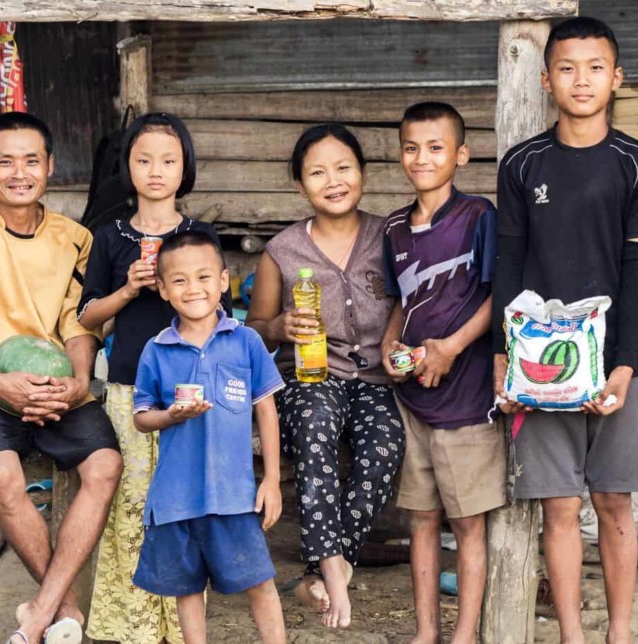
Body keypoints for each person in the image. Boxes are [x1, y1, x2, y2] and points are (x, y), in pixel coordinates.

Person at [492, 17, 638, 644]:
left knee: (615, 505)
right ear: (546, 81)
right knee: (559, 507)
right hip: (541, 362)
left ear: (617, 78)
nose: (581, 80)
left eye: (595, 67)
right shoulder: (522, 164)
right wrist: (504, 359)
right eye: (567, 68)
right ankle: (573, 633)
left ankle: (618, 632)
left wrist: (626, 368)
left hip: (613, 362)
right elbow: (509, 266)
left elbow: (637, 272)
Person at [0, 112, 123, 644]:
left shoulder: (75, 238)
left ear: (51, 167)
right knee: (2, 476)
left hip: (58, 383)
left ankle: (38, 613)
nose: (20, 172)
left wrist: (80, 381)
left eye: (32, 160)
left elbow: (78, 320)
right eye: (6, 161)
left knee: (106, 466)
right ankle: (63, 611)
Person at [80, 112, 232, 644]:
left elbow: (223, 314)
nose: (156, 170)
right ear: (127, 167)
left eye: (168, 160)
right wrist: (127, 290)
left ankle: (182, 625)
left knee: (183, 507)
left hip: (189, 389)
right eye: (143, 160)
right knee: (132, 507)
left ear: (185, 167)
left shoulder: (198, 235)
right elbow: (86, 317)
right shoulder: (110, 238)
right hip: (130, 391)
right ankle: (133, 628)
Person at [246, 124, 405, 629]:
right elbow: (255, 335)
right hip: (311, 377)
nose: (333, 181)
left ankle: (324, 564)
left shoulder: (392, 236)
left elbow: (412, 301)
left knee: (386, 442)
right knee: (314, 424)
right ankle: (336, 568)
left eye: (344, 168)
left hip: (379, 379)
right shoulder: (283, 251)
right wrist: (279, 325)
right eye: (317, 172)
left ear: (363, 174)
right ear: (299, 185)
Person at [381, 102, 505, 644]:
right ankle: (426, 632)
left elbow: (499, 292)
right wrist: (390, 344)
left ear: (461, 155)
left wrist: (452, 347)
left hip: (467, 399)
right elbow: (397, 301)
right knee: (421, 519)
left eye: (436, 147)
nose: (422, 158)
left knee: (469, 523)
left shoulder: (479, 217)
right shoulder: (392, 229)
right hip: (415, 398)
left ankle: (464, 633)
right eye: (412, 147)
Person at [131, 231, 286, 644]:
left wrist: (270, 481)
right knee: (186, 590)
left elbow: (266, 410)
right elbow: (142, 418)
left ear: (223, 281)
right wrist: (170, 415)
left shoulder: (246, 341)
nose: (192, 288)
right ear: (162, 290)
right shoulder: (157, 350)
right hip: (175, 499)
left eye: (203, 277)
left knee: (260, 582)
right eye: (178, 280)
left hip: (233, 496)